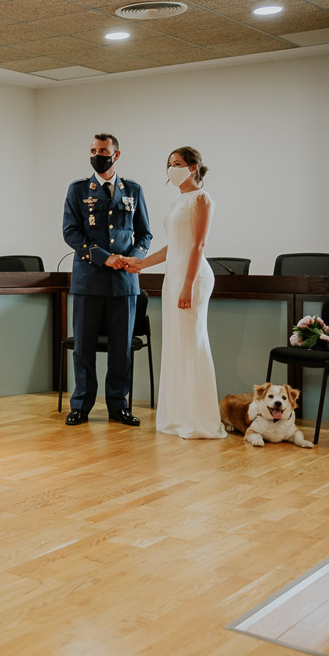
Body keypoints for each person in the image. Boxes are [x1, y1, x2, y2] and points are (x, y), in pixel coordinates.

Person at [128, 147, 226, 439]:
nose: (172, 169)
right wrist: (142, 264)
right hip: (174, 276)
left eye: (178, 163)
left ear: (193, 167)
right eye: (169, 164)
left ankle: (198, 420)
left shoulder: (201, 199)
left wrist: (188, 284)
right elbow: (175, 245)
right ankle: (178, 417)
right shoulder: (178, 201)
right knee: (176, 344)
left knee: (192, 342)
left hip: (192, 279)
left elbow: (198, 245)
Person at [61, 133, 152, 426]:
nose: (97, 154)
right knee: (84, 349)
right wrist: (103, 256)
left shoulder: (133, 190)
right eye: (93, 150)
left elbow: (144, 234)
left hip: (124, 283)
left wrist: (135, 256)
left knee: (121, 349)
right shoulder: (78, 190)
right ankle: (82, 405)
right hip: (89, 280)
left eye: (102, 150)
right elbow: (71, 232)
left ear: (116, 154)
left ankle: (118, 406)